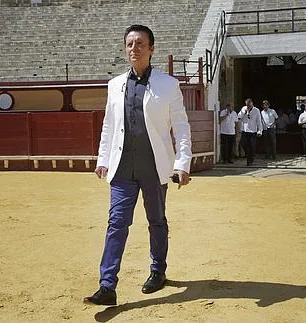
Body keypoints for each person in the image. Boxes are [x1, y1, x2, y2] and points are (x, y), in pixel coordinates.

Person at [85, 25, 192, 306]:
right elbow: (109, 125)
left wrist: (182, 164)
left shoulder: (168, 85)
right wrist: (102, 159)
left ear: (151, 49)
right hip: (122, 167)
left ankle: (158, 271)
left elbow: (181, 127)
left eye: (140, 43)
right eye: (130, 44)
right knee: (116, 223)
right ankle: (107, 285)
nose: (134, 48)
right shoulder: (115, 84)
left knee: (156, 221)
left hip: (155, 166)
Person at [237, 98, 263, 166]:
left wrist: (260, 131)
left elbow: (259, 121)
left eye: (249, 105)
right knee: (243, 144)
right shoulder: (244, 109)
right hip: (245, 130)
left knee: (252, 146)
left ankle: (250, 160)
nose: (248, 106)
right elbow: (239, 117)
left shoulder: (256, 110)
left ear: (252, 104)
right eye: (247, 105)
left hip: (253, 131)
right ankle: (250, 156)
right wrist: (244, 112)